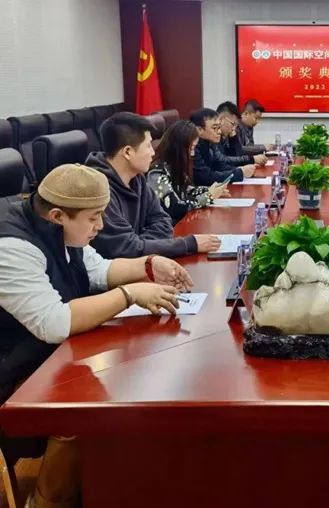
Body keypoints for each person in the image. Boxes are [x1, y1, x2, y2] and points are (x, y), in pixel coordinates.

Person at [0, 164, 194, 507]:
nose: (101, 226)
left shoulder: (59, 228)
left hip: (45, 354)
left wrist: (149, 264)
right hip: (11, 369)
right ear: (58, 216)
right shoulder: (12, 247)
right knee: (74, 412)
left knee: (122, 384)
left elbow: (99, 269)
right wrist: (129, 295)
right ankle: (45, 501)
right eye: (94, 218)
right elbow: (53, 322)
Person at [86, 112, 221, 258]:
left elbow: (163, 221)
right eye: (148, 145)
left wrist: (141, 245)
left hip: (143, 262)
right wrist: (188, 244)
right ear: (128, 152)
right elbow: (125, 248)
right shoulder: (97, 189)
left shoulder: (137, 178)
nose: (152, 152)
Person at [148, 120, 230, 224]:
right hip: (167, 228)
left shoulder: (175, 165)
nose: (192, 154)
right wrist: (208, 196)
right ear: (178, 148)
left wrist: (210, 190)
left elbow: (187, 190)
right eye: (191, 148)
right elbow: (175, 207)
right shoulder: (157, 172)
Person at [190, 107, 255, 186]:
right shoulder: (192, 147)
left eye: (219, 127)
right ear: (199, 130)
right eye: (214, 128)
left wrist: (241, 170)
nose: (219, 132)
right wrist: (239, 173)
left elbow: (219, 165)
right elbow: (205, 177)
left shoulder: (209, 142)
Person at [216, 101, 268, 166]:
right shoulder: (214, 137)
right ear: (221, 120)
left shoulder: (228, 133)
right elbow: (222, 161)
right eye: (233, 124)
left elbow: (237, 155)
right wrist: (251, 160)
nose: (234, 128)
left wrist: (233, 136)